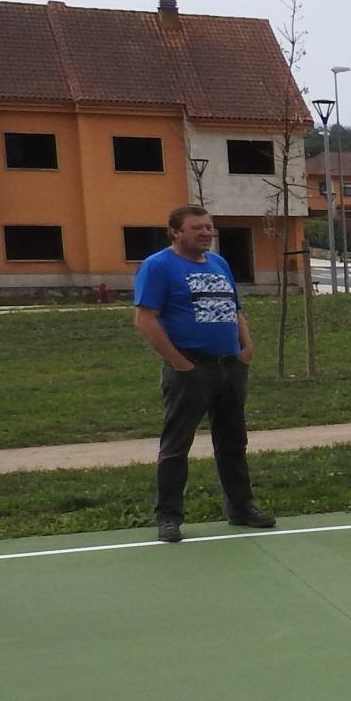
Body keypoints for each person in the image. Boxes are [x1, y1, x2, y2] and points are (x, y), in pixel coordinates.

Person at [131, 202, 271, 543]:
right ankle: (168, 517)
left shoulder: (219, 263)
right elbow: (145, 320)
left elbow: (235, 309)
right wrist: (180, 363)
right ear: (176, 232)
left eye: (208, 227)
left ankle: (241, 508)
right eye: (197, 228)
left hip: (230, 367)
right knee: (177, 446)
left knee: (233, 443)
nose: (206, 233)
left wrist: (245, 348)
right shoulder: (158, 266)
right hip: (190, 369)